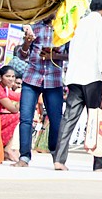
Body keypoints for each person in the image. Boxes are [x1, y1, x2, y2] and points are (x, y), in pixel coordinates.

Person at [54, 0, 102, 172]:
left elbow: (72, 50)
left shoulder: (79, 23)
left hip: (75, 77)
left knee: (69, 119)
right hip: (94, 78)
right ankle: (98, 163)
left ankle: (59, 160)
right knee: (97, 118)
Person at [15, 19, 68, 168]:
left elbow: (70, 56)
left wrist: (53, 55)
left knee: (56, 121)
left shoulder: (64, 30)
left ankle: (55, 155)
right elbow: (22, 55)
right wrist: (27, 43)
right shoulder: (34, 28)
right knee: (25, 118)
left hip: (54, 80)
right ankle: (24, 157)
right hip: (32, 78)